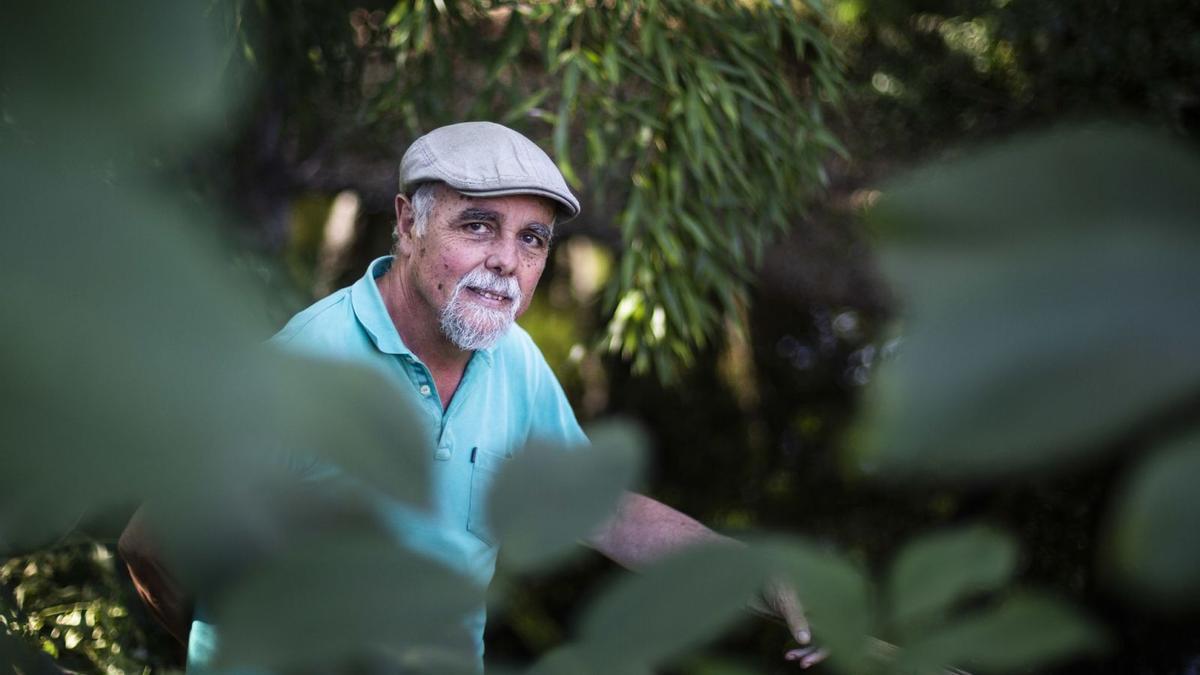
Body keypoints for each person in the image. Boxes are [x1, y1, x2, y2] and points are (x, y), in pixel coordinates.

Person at [120, 121, 819, 671]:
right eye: (478, 225)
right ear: (407, 222)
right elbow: (151, 542)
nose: (507, 262)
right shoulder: (307, 367)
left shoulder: (509, 357)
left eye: (532, 239)